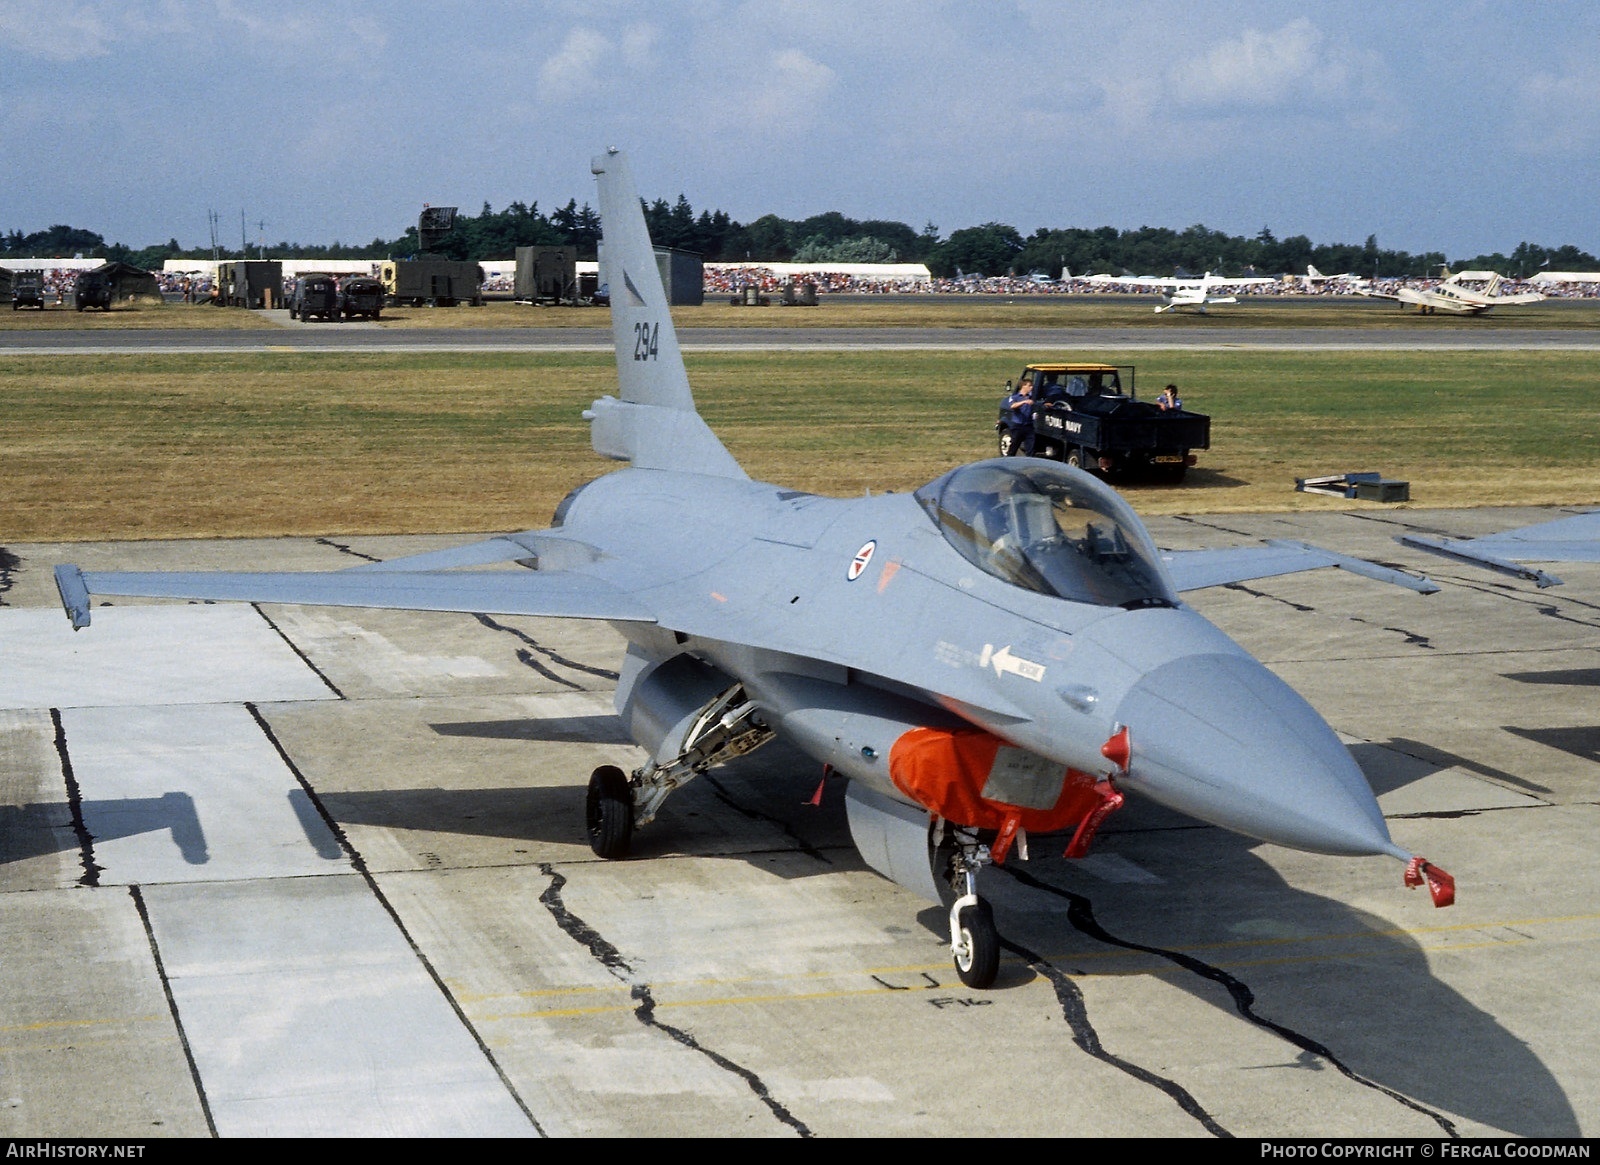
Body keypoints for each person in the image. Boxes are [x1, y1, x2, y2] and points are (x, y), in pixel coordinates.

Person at [1001, 378, 1035, 455]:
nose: (1031, 388)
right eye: (1029, 386)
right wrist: (1024, 402)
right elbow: (1012, 406)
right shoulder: (1015, 397)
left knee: (1030, 448)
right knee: (1014, 446)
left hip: (1029, 426)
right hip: (1018, 426)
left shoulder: (1031, 397)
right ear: (1023, 386)